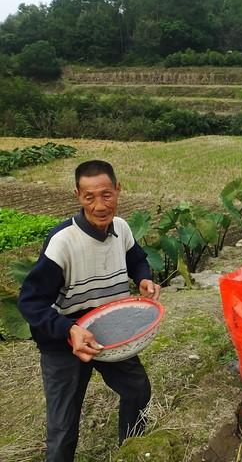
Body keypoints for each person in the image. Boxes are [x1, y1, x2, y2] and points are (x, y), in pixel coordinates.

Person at [18, 160, 161, 462]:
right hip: (65, 339)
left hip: (110, 330)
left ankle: (130, 448)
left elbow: (136, 259)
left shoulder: (121, 228)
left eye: (106, 195)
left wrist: (144, 278)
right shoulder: (63, 243)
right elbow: (31, 301)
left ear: (118, 190)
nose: (99, 205)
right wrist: (69, 330)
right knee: (63, 427)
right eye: (89, 197)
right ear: (77, 196)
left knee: (137, 390)